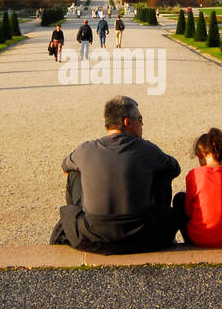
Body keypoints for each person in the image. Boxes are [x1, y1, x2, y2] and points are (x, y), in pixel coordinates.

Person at [50, 95, 180, 254]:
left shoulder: (85, 149)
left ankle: (87, 213)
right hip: (143, 236)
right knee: (162, 171)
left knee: (74, 173)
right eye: (140, 119)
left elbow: (65, 167)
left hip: (93, 236)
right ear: (128, 122)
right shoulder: (147, 149)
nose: (142, 124)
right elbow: (174, 169)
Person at [172, 128, 222, 248]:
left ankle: (174, 240)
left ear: (201, 154)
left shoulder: (195, 174)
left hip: (200, 239)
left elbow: (189, 210)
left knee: (179, 198)